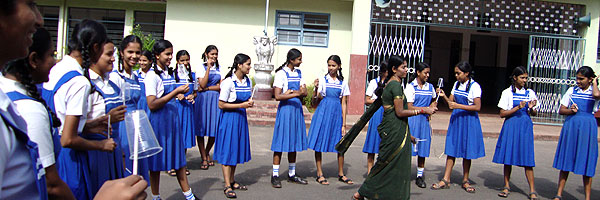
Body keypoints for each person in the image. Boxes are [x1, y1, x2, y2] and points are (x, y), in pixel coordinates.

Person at [42, 19, 117, 200]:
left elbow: (59, 117)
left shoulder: (56, 68)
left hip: (49, 152)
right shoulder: (80, 82)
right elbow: (68, 139)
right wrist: (100, 145)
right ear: (96, 47)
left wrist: (88, 125)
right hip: (69, 159)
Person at [2, 27, 75, 200]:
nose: (55, 61)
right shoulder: (32, 110)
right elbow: (51, 184)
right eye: (51, 55)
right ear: (34, 59)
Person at [352, 55, 436, 200]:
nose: (406, 70)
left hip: (395, 128)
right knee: (386, 164)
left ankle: (372, 193)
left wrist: (408, 135)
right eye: (403, 67)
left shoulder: (392, 83)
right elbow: (400, 112)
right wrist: (424, 110)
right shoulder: (395, 85)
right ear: (394, 69)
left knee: (387, 164)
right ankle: (362, 193)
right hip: (393, 129)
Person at [144, 39, 196, 200]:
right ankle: (156, 196)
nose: (169, 57)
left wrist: (181, 94)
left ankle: (189, 195)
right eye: (167, 54)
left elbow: (168, 95)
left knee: (179, 158)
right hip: (159, 122)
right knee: (156, 163)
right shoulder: (151, 76)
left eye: (171, 54)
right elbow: (152, 104)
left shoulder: (168, 72)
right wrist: (175, 92)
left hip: (172, 120)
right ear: (157, 55)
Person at [432, 61, 485, 193]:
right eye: (455, 73)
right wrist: (444, 96)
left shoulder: (475, 86)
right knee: (452, 148)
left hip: (469, 120)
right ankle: (446, 178)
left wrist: (459, 106)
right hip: (457, 120)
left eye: (458, 73)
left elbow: (477, 107)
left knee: (467, 151)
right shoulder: (456, 85)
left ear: (466, 73)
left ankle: (465, 180)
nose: (456, 76)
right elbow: (451, 104)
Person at [85, 40, 128, 196]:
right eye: (108, 54)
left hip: (114, 148)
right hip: (96, 150)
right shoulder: (86, 85)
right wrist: (107, 119)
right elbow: (76, 126)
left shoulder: (113, 84)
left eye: (114, 54)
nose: (113, 59)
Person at [552, 66, 599, 200]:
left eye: (581, 79)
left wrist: (595, 83)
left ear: (590, 79)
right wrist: (571, 111)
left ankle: (587, 197)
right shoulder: (572, 91)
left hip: (587, 127)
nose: (578, 81)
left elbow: (596, 95)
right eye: (577, 78)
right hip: (571, 125)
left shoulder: (594, 91)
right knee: (567, 158)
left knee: (586, 160)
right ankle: (559, 194)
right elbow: (561, 110)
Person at [109, 35, 151, 182]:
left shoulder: (135, 76)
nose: (134, 56)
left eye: (137, 52)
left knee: (138, 170)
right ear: (122, 52)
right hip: (121, 126)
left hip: (136, 126)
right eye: (130, 52)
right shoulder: (115, 77)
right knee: (126, 168)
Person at [493, 66, 538, 199]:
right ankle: (506, 186)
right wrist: (517, 107)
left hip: (525, 127)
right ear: (515, 78)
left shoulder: (530, 93)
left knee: (527, 158)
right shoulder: (507, 92)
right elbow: (502, 113)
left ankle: (532, 190)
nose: (524, 80)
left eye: (526, 78)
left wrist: (531, 108)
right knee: (508, 157)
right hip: (511, 126)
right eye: (522, 77)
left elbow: (534, 112)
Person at [307, 55, 352, 185]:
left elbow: (344, 103)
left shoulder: (342, 83)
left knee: (340, 144)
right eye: (329, 65)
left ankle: (341, 173)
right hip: (323, 112)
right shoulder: (322, 80)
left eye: (333, 65)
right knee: (319, 142)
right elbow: (317, 100)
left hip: (336, 114)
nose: (331, 68)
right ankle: (319, 173)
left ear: (339, 66)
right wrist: (316, 88)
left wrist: (344, 123)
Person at [215, 53, 254, 198]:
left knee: (235, 149)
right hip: (229, 119)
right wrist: (242, 105)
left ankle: (232, 180)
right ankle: (226, 185)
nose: (250, 67)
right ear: (239, 65)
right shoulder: (228, 82)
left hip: (240, 119)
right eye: (248, 64)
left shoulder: (247, 81)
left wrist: (249, 102)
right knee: (227, 151)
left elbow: (246, 98)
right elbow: (221, 104)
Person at [270, 48, 308, 188]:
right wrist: (296, 93)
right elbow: (278, 96)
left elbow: (305, 91)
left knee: (293, 142)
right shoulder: (281, 74)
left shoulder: (299, 73)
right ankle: (275, 174)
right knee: (280, 142)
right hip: (285, 110)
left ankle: (292, 173)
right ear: (291, 60)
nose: (301, 61)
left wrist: (293, 92)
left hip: (296, 110)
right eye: (299, 59)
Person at [405, 62, 437, 188]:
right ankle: (404, 174)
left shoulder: (430, 87)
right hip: (413, 120)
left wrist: (433, 107)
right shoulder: (411, 87)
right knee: (409, 149)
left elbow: (434, 100)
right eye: (425, 73)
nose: (427, 75)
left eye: (428, 73)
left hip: (424, 121)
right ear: (418, 73)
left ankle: (419, 175)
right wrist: (425, 109)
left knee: (422, 149)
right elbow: (409, 106)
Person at [170, 50, 196, 176]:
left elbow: (196, 91)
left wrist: (192, 96)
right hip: (176, 108)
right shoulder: (172, 74)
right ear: (177, 61)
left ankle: (181, 163)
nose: (185, 63)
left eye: (187, 60)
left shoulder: (192, 75)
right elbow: (167, 92)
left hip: (187, 108)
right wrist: (177, 94)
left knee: (185, 136)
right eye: (182, 60)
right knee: (175, 135)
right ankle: (171, 164)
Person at [195, 45, 221, 170]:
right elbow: (202, 83)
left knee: (214, 129)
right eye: (212, 54)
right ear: (206, 54)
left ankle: (206, 151)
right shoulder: (201, 67)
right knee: (201, 128)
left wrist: (209, 88)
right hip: (203, 100)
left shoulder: (219, 67)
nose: (214, 57)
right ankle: (203, 157)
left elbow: (220, 86)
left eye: (216, 54)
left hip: (215, 99)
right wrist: (208, 69)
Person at [362, 60, 388, 174]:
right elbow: (367, 100)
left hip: (388, 114)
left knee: (386, 144)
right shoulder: (374, 82)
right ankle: (370, 171)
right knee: (373, 143)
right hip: (376, 113)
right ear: (383, 72)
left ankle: (383, 172)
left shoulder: (395, 83)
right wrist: (378, 101)